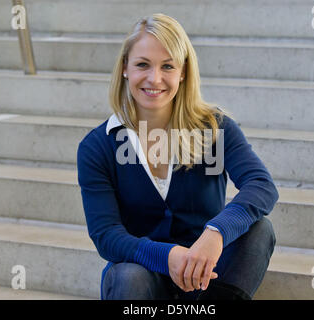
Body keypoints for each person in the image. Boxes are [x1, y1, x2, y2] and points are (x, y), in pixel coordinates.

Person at [77, 13, 279, 300]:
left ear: (183, 71)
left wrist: (216, 232)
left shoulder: (215, 129)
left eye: (168, 66)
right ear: (125, 68)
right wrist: (168, 256)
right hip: (143, 278)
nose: (154, 78)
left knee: (259, 230)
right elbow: (106, 235)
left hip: (207, 277)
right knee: (127, 275)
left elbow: (261, 185)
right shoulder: (98, 146)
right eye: (142, 65)